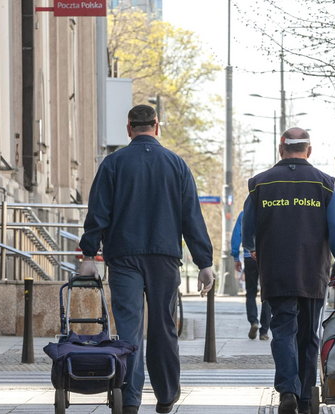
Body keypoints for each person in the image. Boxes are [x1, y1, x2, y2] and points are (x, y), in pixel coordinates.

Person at [78, 104, 215, 414]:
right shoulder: (176, 165)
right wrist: (204, 262)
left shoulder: (113, 164)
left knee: (128, 328)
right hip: (165, 258)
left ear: (129, 129)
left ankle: (130, 399)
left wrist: (89, 253)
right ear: (157, 126)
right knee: (164, 326)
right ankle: (166, 395)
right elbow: (191, 217)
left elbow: (98, 212)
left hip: (124, 256)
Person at [242, 127, 335, 414]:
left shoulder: (259, 184)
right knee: (308, 336)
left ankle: (287, 391)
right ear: (309, 150)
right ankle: (305, 397)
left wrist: (251, 247)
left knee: (282, 331)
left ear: (281, 150)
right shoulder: (324, 184)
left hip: (276, 271)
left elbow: (248, 228)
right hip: (312, 271)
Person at [231, 210, 271, 340]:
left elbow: (237, 235)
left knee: (251, 292)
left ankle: (254, 321)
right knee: (268, 293)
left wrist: (236, 256)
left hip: (249, 257)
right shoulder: (270, 210)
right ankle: (264, 331)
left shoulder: (244, 213)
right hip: (267, 256)